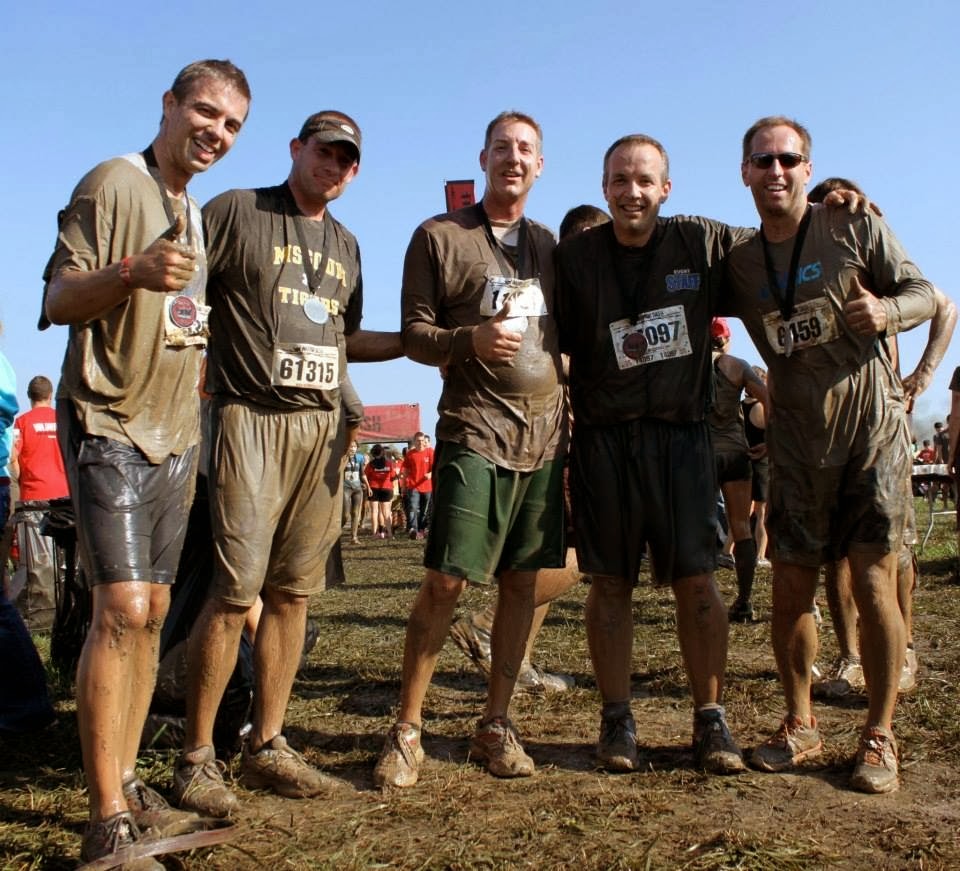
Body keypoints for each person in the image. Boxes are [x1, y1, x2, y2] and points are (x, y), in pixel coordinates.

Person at [42, 59, 250, 867]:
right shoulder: (113, 183)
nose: (216, 132)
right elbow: (59, 298)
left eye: (232, 125)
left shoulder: (191, 211)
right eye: (206, 112)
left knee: (156, 613)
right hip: (108, 420)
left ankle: (126, 782)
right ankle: (105, 821)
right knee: (120, 608)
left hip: (174, 435)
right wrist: (129, 272)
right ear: (168, 104)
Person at [174, 110, 396, 817]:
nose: (335, 166)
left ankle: (267, 741)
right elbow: (184, 298)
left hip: (319, 427)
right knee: (233, 590)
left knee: (294, 593)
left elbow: (342, 338)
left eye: (347, 159)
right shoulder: (237, 210)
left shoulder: (348, 244)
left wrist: (428, 344)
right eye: (325, 151)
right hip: (249, 415)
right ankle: (196, 757)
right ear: (297, 148)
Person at [725, 117, 936, 793]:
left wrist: (888, 314)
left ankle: (879, 733)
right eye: (763, 160)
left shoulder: (852, 224)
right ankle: (800, 723)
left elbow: (926, 294)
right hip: (796, 443)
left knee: (873, 580)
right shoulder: (739, 259)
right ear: (745, 172)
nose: (776, 171)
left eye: (788, 159)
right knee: (791, 586)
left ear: (808, 170)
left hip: (869, 433)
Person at [374, 111, 567, 788]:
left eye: (526, 149)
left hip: (544, 437)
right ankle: (407, 728)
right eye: (502, 147)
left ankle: (495, 723)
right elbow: (414, 334)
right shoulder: (439, 236)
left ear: (539, 165)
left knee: (521, 583)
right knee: (447, 579)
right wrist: (469, 342)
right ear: (483, 159)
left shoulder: (551, 246)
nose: (514, 158)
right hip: (474, 427)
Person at [555, 134, 751, 776]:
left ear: (666, 188)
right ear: (603, 187)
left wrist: (833, 208)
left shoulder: (700, 240)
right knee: (609, 582)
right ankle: (617, 718)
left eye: (644, 180)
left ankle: (710, 718)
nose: (631, 192)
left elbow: (782, 237)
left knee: (697, 581)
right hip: (605, 441)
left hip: (682, 438)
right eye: (619, 180)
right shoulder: (573, 257)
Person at [448, 203, 611, 695]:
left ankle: (515, 661)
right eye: (584, 242)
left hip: (568, 431)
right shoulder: (549, 291)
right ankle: (486, 623)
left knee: (545, 553)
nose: (593, 253)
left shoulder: (591, 291)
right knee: (576, 556)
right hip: (552, 431)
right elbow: (523, 350)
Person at [707, 318, 768, 622]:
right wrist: (770, 441)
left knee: (699, 528)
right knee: (742, 527)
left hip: (702, 454)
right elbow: (769, 399)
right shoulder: (738, 366)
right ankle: (744, 601)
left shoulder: (689, 368)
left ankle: (704, 598)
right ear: (727, 340)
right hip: (735, 452)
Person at [10, 375, 69, 630]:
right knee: (64, 559)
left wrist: (22, 477)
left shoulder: (22, 423)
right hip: (63, 500)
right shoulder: (63, 421)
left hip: (34, 498)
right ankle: (64, 610)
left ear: (29, 396)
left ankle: (38, 615)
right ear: (50, 394)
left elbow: (13, 459)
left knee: (35, 561)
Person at [402, 432, 433, 539]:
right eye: (418, 441)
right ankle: (413, 529)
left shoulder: (430, 452)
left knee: (424, 510)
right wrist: (404, 485)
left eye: (422, 440)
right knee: (413, 508)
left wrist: (430, 474)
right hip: (413, 486)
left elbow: (435, 467)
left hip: (427, 486)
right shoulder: (410, 454)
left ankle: (421, 529)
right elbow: (405, 471)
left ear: (424, 441)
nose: (420, 442)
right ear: (414, 442)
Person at [365, 443, 396, 538]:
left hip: (373, 488)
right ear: (382, 452)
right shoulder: (389, 463)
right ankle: (390, 533)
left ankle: (374, 534)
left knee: (374, 511)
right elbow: (393, 477)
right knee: (386, 512)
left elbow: (366, 476)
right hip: (387, 488)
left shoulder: (370, 464)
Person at [342, 440, 368, 544]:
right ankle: (336, 532)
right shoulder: (343, 458)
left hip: (357, 488)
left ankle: (354, 537)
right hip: (345, 487)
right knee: (345, 515)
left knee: (356, 513)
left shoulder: (360, 458)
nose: (353, 448)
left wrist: (367, 485)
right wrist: (345, 458)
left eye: (355, 446)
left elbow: (362, 473)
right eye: (351, 446)